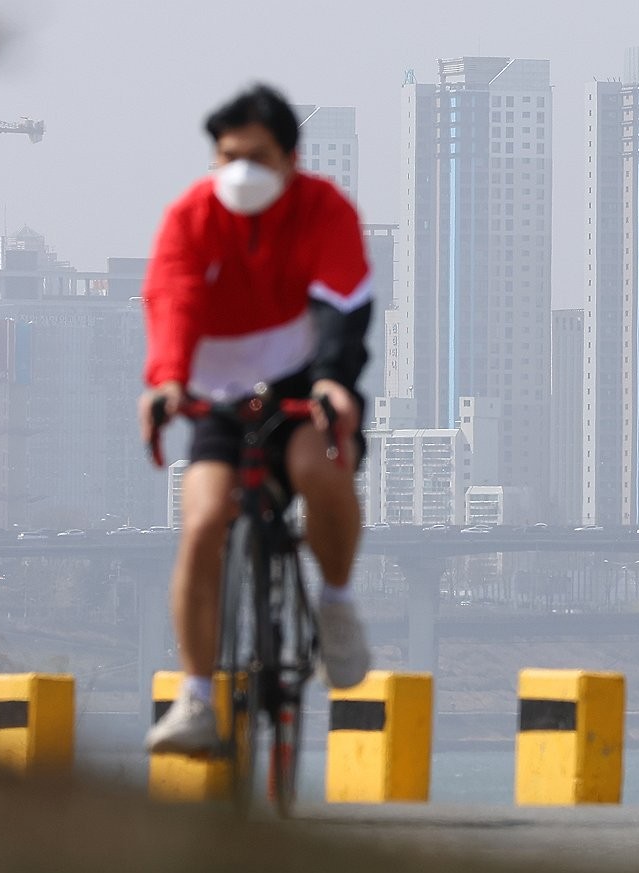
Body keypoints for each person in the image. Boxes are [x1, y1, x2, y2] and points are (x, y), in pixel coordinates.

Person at [138, 84, 372, 754]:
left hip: (306, 381)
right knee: (205, 517)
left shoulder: (325, 209)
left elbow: (341, 299)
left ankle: (335, 602)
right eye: (227, 155)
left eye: (257, 156)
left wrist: (332, 378)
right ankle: (195, 697)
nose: (240, 171)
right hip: (219, 390)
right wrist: (167, 382)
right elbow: (172, 297)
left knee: (315, 466)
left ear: (290, 159)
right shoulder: (190, 215)